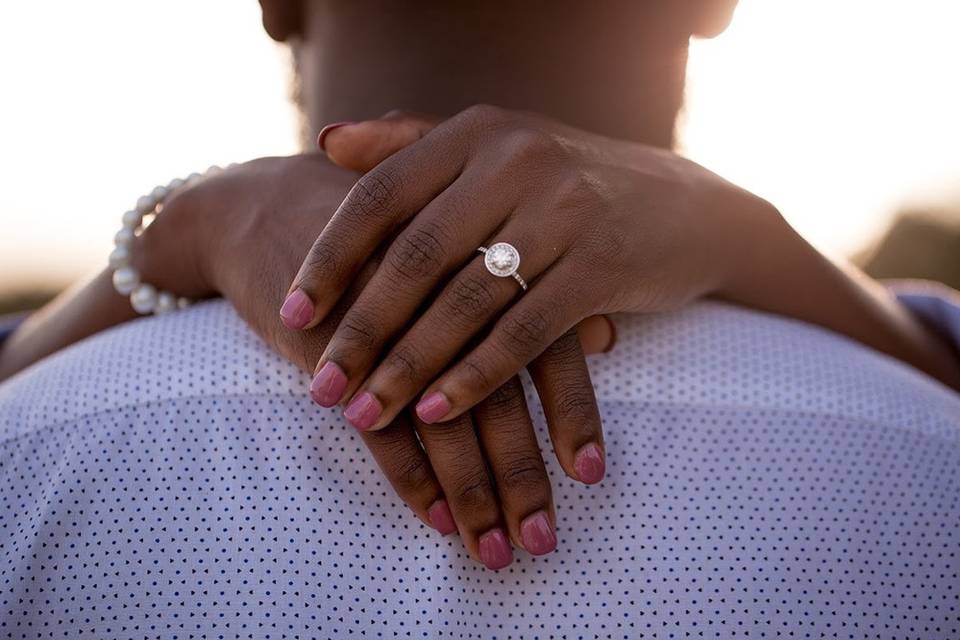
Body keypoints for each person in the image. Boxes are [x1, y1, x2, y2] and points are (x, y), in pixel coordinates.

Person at [1, 1, 959, 636]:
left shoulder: (32, 449)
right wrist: (755, 239)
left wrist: (180, 231)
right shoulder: (929, 461)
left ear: (274, 3)